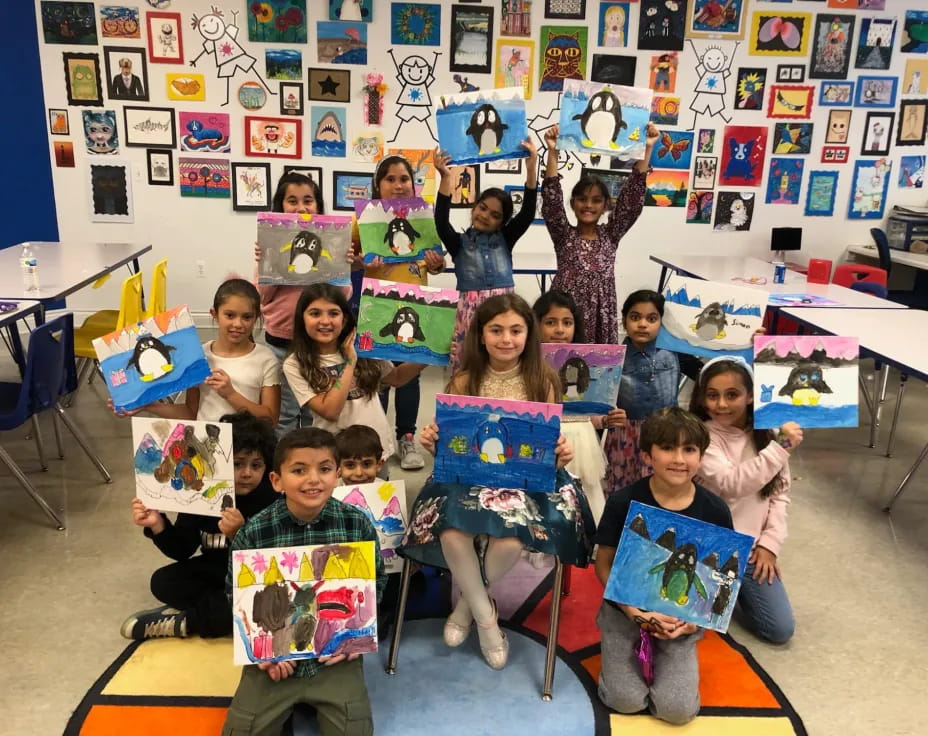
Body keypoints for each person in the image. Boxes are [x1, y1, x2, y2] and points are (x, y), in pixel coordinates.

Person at [401, 293, 594, 670]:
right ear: (481, 335)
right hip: (470, 477)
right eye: (496, 330)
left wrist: (560, 451)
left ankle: (467, 605)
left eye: (516, 330)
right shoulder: (464, 379)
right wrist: (432, 442)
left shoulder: (543, 379)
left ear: (529, 334)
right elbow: (452, 443)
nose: (507, 339)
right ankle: (488, 621)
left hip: (525, 481)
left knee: (510, 536)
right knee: (452, 531)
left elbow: (547, 443)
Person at [222, 428, 384, 736]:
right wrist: (266, 654)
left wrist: (353, 641)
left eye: (324, 469)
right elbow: (236, 594)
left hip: (333, 656)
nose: (313, 479)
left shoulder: (356, 523)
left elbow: (376, 584)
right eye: (299, 470)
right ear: (276, 481)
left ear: (337, 474)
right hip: (276, 658)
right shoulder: (256, 531)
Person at [594, 407, 733, 725]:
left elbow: (718, 581)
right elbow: (603, 564)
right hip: (625, 612)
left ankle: (672, 656)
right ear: (647, 455)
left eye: (689, 449)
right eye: (668, 448)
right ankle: (621, 657)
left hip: (679, 619)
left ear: (701, 455)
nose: (679, 459)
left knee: (678, 711)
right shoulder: (622, 502)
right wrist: (633, 612)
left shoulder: (715, 510)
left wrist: (692, 623)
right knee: (625, 701)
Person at [121, 412, 278, 640]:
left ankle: (187, 621)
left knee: (264, 600)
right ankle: (221, 610)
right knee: (163, 581)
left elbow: (274, 559)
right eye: (237, 464)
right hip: (214, 570)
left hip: (253, 574)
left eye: (256, 465)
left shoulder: (270, 497)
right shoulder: (202, 495)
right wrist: (157, 525)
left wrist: (240, 534)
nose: (247, 473)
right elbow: (181, 550)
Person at [689, 356, 798, 644]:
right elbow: (731, 484)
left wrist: (769, 545)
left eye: (732, 395)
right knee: (699, 618)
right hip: (712, 548)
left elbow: (779, 495)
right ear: (702, 398)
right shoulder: (702, 437)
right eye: (712, 395)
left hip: (751, 551)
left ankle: (734, 592)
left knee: (780, 630)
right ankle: (723, 590)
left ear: (750, 396)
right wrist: (782, 448)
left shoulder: (768, 435)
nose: (721, 405)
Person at [358, 155, 445, 470]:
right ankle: (377, 442)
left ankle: (406, 437)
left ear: (413, 183)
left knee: (409, 377)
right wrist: (363, 264)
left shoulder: (423, 219)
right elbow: (349, 259)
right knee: (378, 377)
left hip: (415, 308)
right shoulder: (366, 219)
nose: (397, 185)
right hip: (377, 309)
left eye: (403, 179)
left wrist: (438, 264)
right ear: (378, 185)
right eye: (390, 179)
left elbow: (435, 262)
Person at [282, 283, 425, 467]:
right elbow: (330, 411)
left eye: (333, 313)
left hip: (375, 452)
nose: (325, 321)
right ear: (302, 319)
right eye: (315, 313)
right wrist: (350, 362)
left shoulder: (364, 348)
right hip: (335, 457)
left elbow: (397, 378)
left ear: (345, 319)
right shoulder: (295, 363)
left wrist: (431, 356)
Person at [541, 122, 659, 344]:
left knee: (596, 369)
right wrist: (553, 151)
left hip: (600, 315)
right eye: (583, 199)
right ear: (573, 203)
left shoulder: (611, 235)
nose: (588, 205)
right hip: (566, 315)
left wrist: (647, 149)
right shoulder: (564, 235)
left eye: (596, 200)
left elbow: (631, 202)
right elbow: (551, 201)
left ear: (606, 205)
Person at [254, 172, 350, 437]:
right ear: (280, 206)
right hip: (281, 342)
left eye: (308, 200)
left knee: (312, 413)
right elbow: (262, 296)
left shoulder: (330, 245)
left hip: (319, 346)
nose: (301, 207)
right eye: (292, 200)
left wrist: (342, 263)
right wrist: (270, 263)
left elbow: (343, 295)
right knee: (284, 413)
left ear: (318, 206)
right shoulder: (272, 246)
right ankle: (286, 468)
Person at [112, 279, 281, 423]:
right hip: (206, 447)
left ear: (257, 318)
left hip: (247, 452)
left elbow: (270, 420)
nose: (238, 324)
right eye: (230, 315)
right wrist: (148, 405)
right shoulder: (198, 356)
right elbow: (190, 413)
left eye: (247, 317)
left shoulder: (265, 359)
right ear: (214, 314)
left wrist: (230, 394)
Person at [434, 140, 539, 373]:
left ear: (502, 222)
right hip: (470, 316)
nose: (485, 216)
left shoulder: (506, 239)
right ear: (474, 207)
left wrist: (531, 168)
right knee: (469, 368)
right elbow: (441, 222)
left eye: (494, 215)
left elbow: (528, 213)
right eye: (482, 208)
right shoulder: (459, 244)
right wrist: (445, 179)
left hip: (504, 311)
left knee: (503, 366)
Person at [533, 290, 626, 522]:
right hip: (542, 437)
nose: (559, 330)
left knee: (584, 491)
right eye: (550, 322)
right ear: (536, 325)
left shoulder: (585, 363)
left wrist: (605, 420)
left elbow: (584, 411)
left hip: (581, 437)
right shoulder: (528, 362)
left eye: (567, 322)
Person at [603, 290, 680, 496]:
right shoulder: (613, 358)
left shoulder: (674, 353)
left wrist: (750, 342)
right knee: (621, 486)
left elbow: (716, 357)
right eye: (635, 317)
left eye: (652, 318)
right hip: (624, 434)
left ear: (662, 322)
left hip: (666, 431)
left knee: (660, 487)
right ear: (624, 321)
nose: (643, 324)